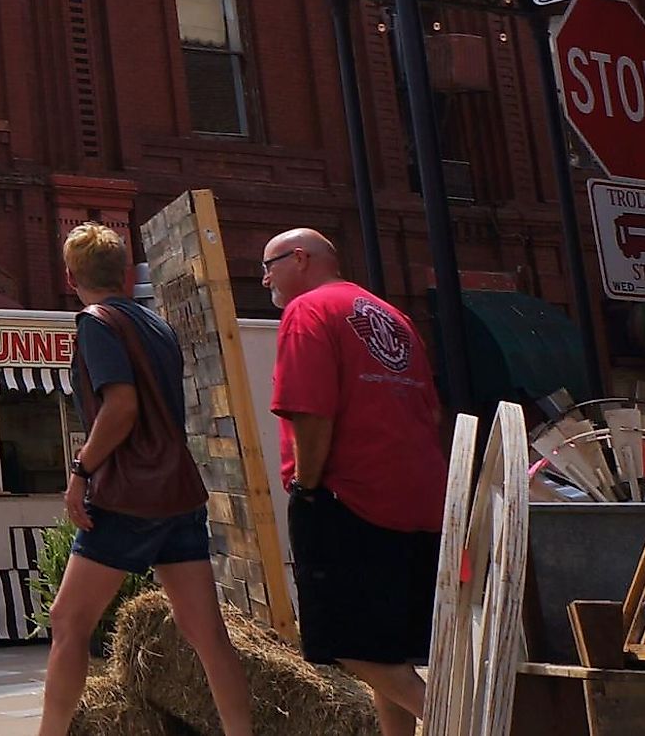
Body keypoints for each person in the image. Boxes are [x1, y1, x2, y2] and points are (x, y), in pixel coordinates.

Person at [35, 222, 254, 736]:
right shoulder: (158, 327)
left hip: (127, 495)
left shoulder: (95, 323)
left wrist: (80, 470)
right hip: (178, 491)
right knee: (207, 633)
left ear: (70, 277)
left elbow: (121, 406)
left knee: (69, 623)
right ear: (128, 276)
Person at [263, 228, 445, 736]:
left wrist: (307, 487)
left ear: (300, 258)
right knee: (387, 649)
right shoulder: (393, 316)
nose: (264, 278)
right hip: (420, 498)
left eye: (270, 264)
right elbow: (431, 411)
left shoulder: (308, 311)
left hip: (350, 497)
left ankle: (459, 721)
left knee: (343, 641)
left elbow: (310, 411)